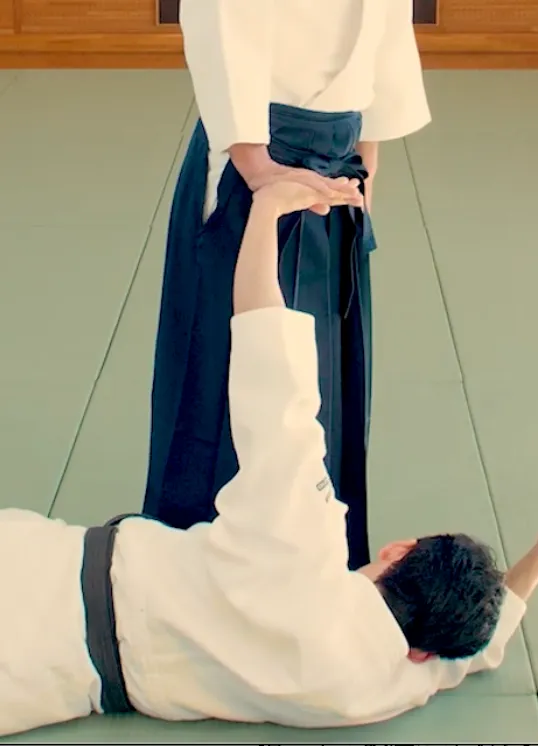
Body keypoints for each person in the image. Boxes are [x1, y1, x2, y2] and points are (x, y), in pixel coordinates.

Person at [0, 181, 538, 738]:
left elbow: (270, 362)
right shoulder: (373, 689)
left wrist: (267, 210)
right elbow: (473, 654)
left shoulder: (300, 537)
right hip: (51, 683)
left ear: (397, 551)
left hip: (38, 578)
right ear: (422, 653)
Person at [142, 0, 432, 570]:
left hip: (341, 159)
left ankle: (314, 561)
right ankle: (192, 561)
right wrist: (256, 168)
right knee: (225, 357)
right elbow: (221, 22)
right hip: (256, 152)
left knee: (322, 369)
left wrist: (366, 166)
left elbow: (385, 38)